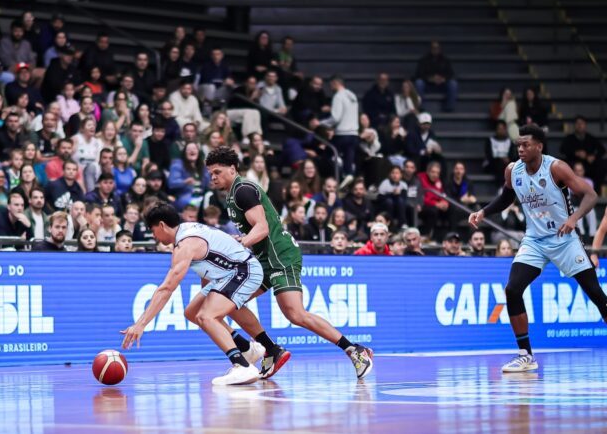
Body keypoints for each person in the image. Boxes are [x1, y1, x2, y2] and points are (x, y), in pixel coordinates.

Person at [205, 146, 374, 380]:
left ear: (232, 169)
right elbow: (257, 229)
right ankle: (271, 350)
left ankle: (354, 349)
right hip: (264, 258)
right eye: (210, 173)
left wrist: (242, 243)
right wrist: (243, 240)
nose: (213, 177)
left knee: (295, 314)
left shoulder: (243, 189)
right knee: (230, 301)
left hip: (281, 255)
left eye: (217, 172)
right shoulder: (234, 193)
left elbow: (262, 228)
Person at [469, 124, 607, 372]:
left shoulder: (556, 167)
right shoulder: (513, 170)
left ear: (539, 146)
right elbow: (506, 198)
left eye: (525, 145)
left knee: (595, 292)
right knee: (512, 289)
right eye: (518, 145)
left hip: (564, 238)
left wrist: (573, 219)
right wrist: (483, 211)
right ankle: (525, 355)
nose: (520, 149)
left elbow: (591, 195)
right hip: (534, 240)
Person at [121, 202, 265, 385]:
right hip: (228, 272)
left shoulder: (184, 245)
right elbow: (210, 261)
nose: (154, 236)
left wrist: (140, 324)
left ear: (162, 225)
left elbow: (166, 289)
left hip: (242, 270)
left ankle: (242, 366)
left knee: (206, 316)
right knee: (192, 312)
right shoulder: (187, 229)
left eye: (153, 230)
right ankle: (248, 350)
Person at [414, 41, 457, 112]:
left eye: (437, 48)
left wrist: (443, 79)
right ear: (430, 49)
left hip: (442, 85)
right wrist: (430, 78)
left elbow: (451, 74)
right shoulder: (424, 60)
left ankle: (449, 107)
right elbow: (418, 74)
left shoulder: (445, 60)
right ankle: (420, 106)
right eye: (433, 48)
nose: (435, 50)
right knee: (419, 83)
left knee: (453, 84)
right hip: (428, 85)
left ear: (440, 49)